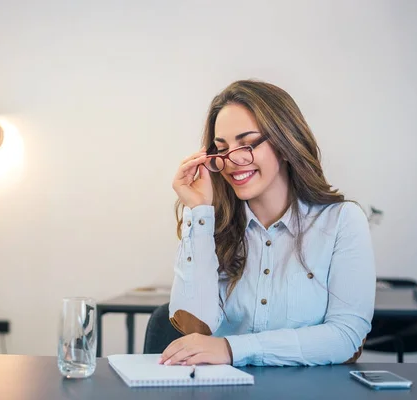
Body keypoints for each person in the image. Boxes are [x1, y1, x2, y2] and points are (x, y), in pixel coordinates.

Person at [160, 80, 375, 367]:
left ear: (285, 145)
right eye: (221, 149)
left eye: (247, 144)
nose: (232, 160)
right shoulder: (213, 225)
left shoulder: (342, 222)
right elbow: (195, 329)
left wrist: (231, 348)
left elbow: (346, 337)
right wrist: (200, 213)